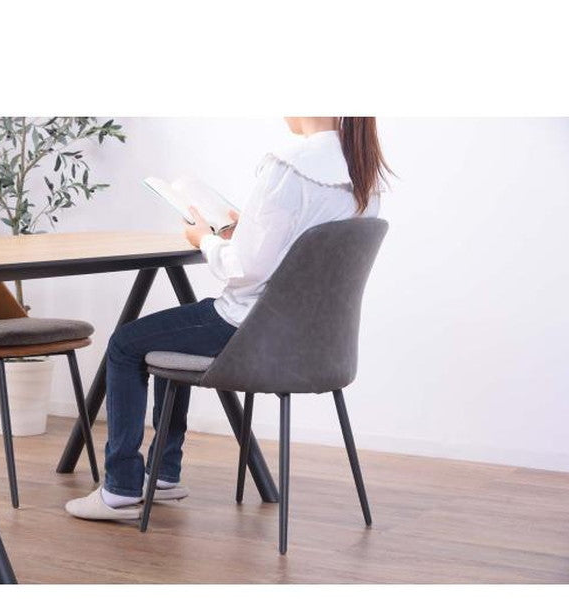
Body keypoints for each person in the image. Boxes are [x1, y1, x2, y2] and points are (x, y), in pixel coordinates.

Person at [65, 116, 391, 520]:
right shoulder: (363, 170)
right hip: (313, 344)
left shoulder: (289, 167)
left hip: (249, 330)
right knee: (169, 336)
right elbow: (297, 254)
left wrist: (204, 238)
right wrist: (244, 232)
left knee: (124, 345)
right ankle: (162, 475)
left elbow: (245, 270)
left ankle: (119, 488)